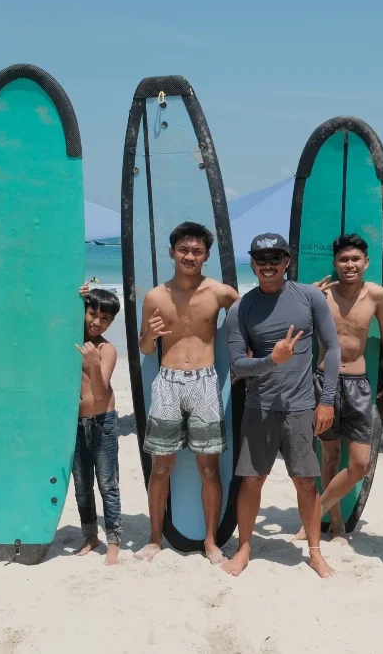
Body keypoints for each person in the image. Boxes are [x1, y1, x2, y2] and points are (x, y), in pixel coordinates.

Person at [222, 232, 339, 578]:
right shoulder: (240, 309)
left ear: (287, 261)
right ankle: (244, 547)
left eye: (276, 258)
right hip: (259, 407)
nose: (268, 265)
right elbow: (237, 366)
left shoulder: (310, 297)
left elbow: (332, 349)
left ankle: (314, 552)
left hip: (302, 406)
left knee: (305, 481)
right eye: (261, 259)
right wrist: (272, 361)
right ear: (252, 264)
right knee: (252, 481)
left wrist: (327, 401)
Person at [136, 222, 239, 565]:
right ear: (172, 253)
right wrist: (149, 335)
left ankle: (211, 542)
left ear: (206, 256)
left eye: (196, 251)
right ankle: (154, 540)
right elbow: (145, 349)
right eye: (184, 250)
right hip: (167, 382)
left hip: (206, 383)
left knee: (209, 467)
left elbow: (254, 313)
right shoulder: (155, 296)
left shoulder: (219, 293)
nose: (189, 256)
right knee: (160, 466)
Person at [292, 233, 383, 544]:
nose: (349, 264)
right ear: (335, 264)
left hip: (358, 384)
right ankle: (335, 525)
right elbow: (291, 327)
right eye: (343, 259)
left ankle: (315, 514)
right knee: (329, 456)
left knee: (360, 464)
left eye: (355, 259)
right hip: (323, 381)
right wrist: (306, 295)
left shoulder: (376, 295)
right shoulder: (321, 295)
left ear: (366, 263)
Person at [72, 286, 123, 565]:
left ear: (111, 322)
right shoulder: (70, 343)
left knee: (107, 483)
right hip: (76, 423)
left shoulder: (106, 349)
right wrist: (74, 294)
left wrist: (92, 364)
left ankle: (113, 541)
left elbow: (101, 393)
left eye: (104, 319)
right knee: (81, 485)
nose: (96, 322)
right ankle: (90, 536)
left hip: (103, 421)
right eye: (92, 314)